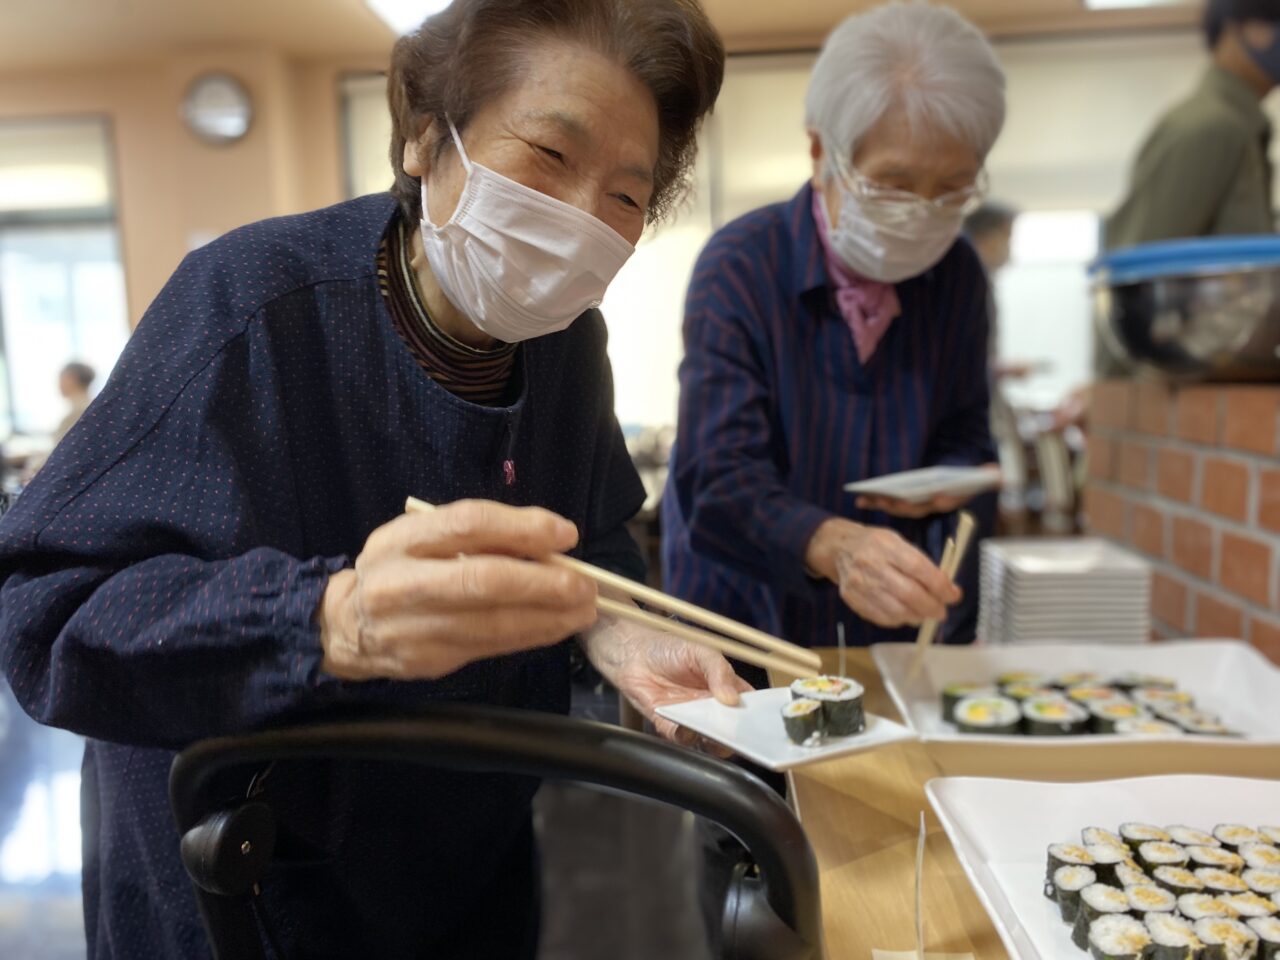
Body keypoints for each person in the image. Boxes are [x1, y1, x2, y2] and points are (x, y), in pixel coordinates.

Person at [0, 2, 737, 957]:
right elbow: (47, 610)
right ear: (426, 138)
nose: (579, 220)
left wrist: (619, 628)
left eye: (626, 198)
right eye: (550, 157)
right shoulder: (252, 305)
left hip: (468, 868)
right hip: (247, 883)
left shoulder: (568, 346)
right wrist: (331, 619)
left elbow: (589, 535)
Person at [663, 2, 1005, 655]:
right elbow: (719, 477)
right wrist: (832, 544)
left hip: (891, 635)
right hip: (745, 626)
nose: (921, 214)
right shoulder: (741, 265)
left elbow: (967, 431)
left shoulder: (958, 275)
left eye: (952, 191)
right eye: (893, 186)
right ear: (822, 153)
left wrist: (952, 481)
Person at [1107, 0, 1278, 251]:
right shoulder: (1211, 127)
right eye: (1273, 23)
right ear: (1233, 31)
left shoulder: (1244, 128)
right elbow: (1139, 260)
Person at [54, 361, 95, 443]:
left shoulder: (77, 413)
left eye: (61, 378)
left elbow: (60, 448)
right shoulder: (93, 407)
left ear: (70, 378)